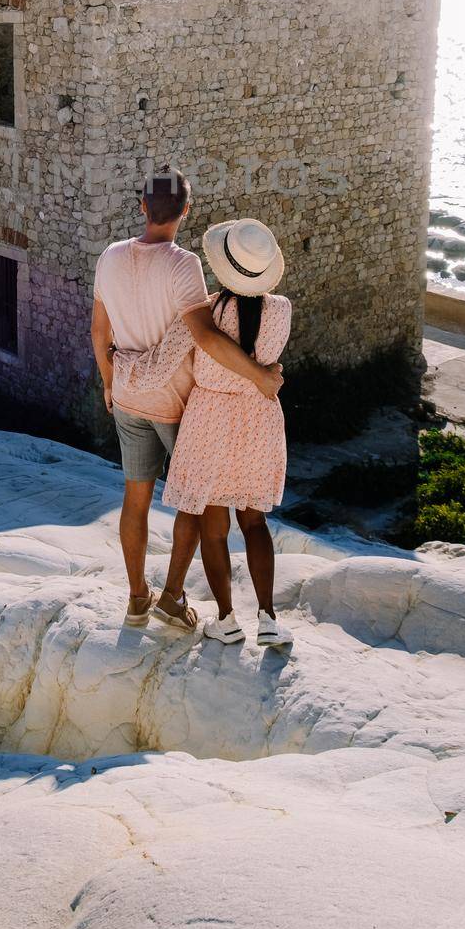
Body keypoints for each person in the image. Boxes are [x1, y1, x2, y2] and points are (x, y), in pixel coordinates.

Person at [91, 169, 285, 633]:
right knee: (195, 505)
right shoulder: (183, 265)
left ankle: (138, 597)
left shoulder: (110, 257)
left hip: (129, 394)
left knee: (135, 500)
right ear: (186, 211)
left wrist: (108, 382)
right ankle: (172, 598)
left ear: (142, 206)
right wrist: (259, 375)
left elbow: (100, 332)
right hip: (178, 404)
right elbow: (206, 337)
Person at [162, 218, 294, 648]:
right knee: (254, 521)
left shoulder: (210, 310)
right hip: (258, 417)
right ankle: (269, 617)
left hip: (211, 416)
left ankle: (226, 618)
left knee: (213, 526)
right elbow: (268, 361)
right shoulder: (282, 309)